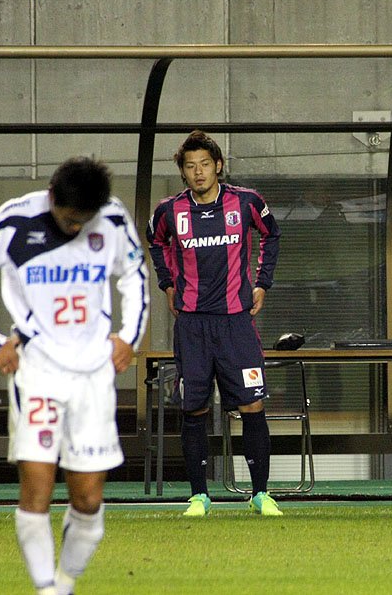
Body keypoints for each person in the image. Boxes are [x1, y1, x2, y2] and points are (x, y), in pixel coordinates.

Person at [0, 157, 149, 595]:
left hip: (93, 376)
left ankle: (64, 582)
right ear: (52, 197)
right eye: (69, 219)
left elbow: (135, 275)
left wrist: (129, 336)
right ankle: (46, 589)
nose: (76, 228)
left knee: (89, 500)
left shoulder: (113, 217)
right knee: (37, 490)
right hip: (37, 372)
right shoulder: (15, 219)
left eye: (84, 221)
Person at [147, 130, 283, 517]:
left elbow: (272, 234)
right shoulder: (169, 211)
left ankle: (260, 494)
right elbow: (155, 242)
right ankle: (199, 496)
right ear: (183, 172)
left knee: (252, 403)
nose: (199, 172)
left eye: (205, 164)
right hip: (192, 326)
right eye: (191, 166)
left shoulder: (247, 201)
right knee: (194, 408)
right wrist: (167, 283)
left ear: (218, 166)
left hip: (236, 324)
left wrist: (262, 283)